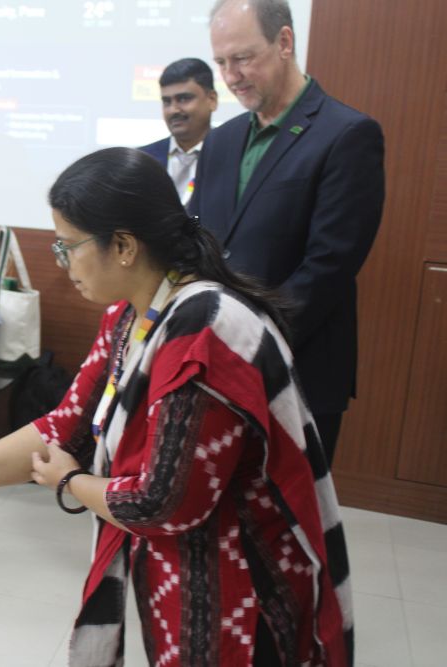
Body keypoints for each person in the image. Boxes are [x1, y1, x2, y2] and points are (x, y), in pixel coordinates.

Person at [0, 148, 352, 665]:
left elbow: (163, 504)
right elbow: (64, 429)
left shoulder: (204, 334)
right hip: (181, 576)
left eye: (67, 246)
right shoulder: (132, 316)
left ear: (124, 246)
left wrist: (70, 482)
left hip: (242, 592)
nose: (61, 262)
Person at [190, 0, 385, 464]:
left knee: (289, 507)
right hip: (212, 363)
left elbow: (328, 266)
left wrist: (246, 341)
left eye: (242, 58)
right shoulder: (220, 139)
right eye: (221, 62)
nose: (231, 76)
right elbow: (197, 240)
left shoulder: (347, 134)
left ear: (284, 42)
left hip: (297, 368)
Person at [139, 58, 219, 205]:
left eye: (183, 99)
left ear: (212, 100)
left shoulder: (233, 156)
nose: (173, 110)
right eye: (167, 102)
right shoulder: (142, 160)